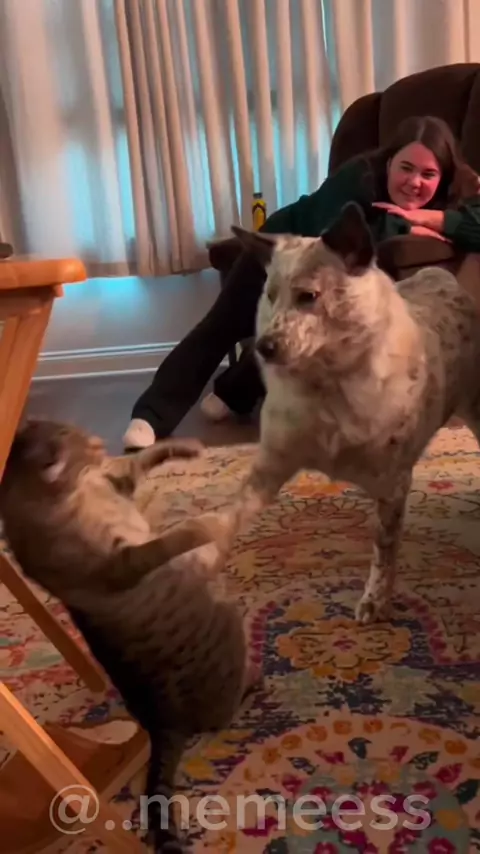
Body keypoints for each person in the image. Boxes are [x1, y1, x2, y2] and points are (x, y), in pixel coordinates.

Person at [123, 115, 480, 450]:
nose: (415, 182)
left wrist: (431, 219)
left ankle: (234, 392)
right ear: (388, 163)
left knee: (298, 334)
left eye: (428, 174)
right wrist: (405, 224)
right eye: (406, 168)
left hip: (330, 284)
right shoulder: (357, 176)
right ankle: (151, 416)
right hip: (280, 252)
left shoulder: (457, 189)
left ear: (444, 176)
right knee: (222, 325)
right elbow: (334, 237)